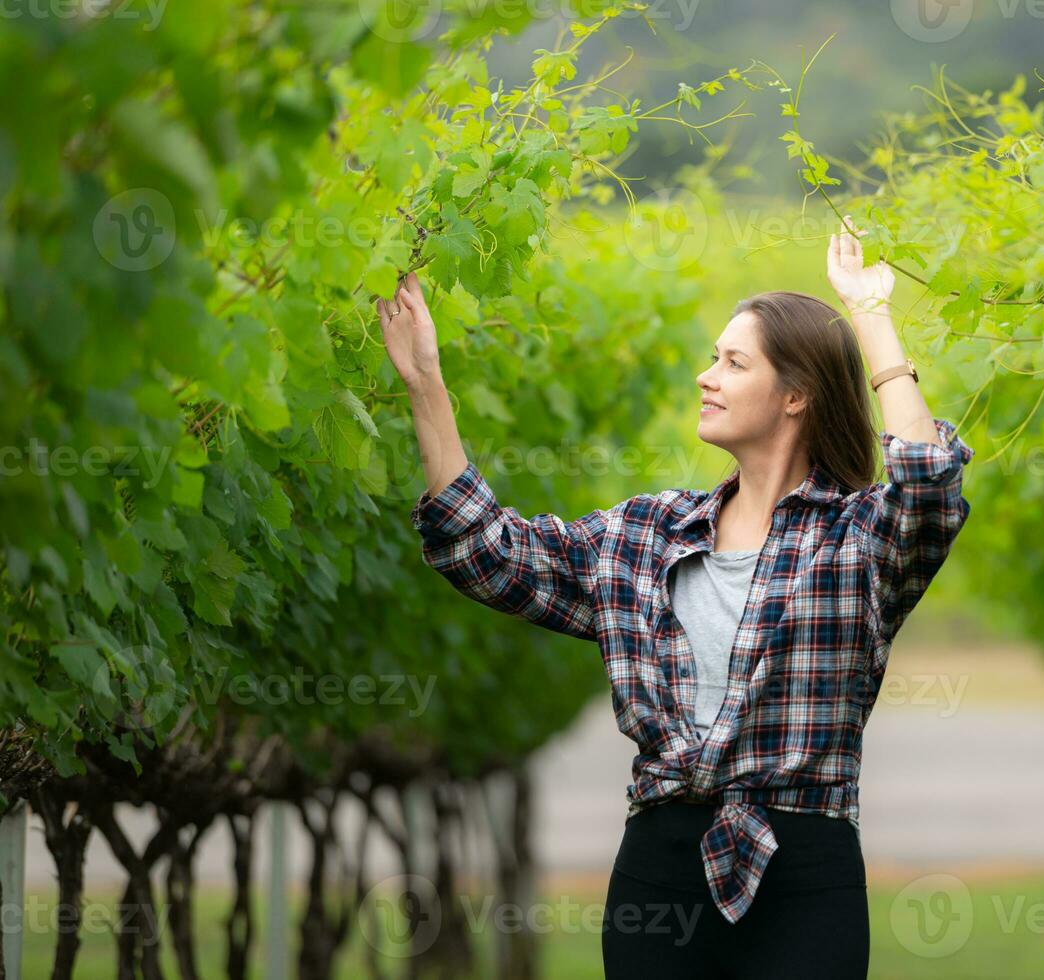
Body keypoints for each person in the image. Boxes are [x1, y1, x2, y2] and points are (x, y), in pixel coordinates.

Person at [379, 216, 974, 978]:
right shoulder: (644, 535)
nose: (707, 375)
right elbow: (483, 548)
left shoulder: (856, 541)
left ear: (796, 397)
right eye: (712, 359)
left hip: (804, 873)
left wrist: (870, 317)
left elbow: (927, 480)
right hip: (659, 875)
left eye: (732, 362)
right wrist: (425, 381)